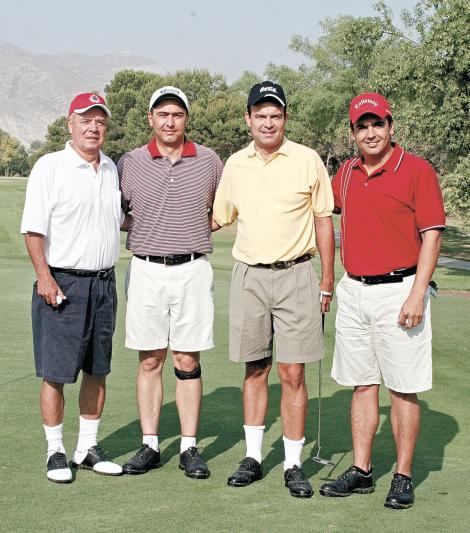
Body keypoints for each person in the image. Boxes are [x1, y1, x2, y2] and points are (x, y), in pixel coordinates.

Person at [319, 92, 445, 509]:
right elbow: (320, 208)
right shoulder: (349, 173)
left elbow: (432, 235)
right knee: (362, 385)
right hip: (354, 290)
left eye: (377, 124)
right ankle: (362, 470)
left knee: (403, 390)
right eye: (362, 126)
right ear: (353, 133)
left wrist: (417, 293)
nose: (370, 133)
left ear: (391, 126)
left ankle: (404, 476)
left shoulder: (417, 170)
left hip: (400, 290)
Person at [212, 81, 335, 498]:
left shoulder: (307, 160)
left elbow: (323, 221)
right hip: (249, 275)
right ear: (248, 119)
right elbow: (218, 217)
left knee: (293, 371)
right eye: (260, 114)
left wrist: (327, 279)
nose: (268, 122)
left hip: (297, 274)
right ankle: (251, 456)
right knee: (255, 368)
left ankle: (294, 464)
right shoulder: (235, 165)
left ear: (285, 119)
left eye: (275, 115)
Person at [118, 86, 223, 479]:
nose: (169, 121)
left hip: (193, 269)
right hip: (146, 269)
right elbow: (118, 212)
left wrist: (196, 229)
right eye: (162, 114)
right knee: (150, 359)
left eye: (177, 114)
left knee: (187, 359)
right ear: (151, 119)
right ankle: (149, 445)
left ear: (186, 119)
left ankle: (189, 447)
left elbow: (224, 209)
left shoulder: (210, 161)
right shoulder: (130, 162)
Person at [21, 93, 125, 483]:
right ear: (70, 124)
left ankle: (87, 448)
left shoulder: (112, 168)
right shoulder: (50, 166)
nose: (93, 127)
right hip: (62, 282)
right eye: (86, 120)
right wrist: (44, 277)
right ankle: (56, 451)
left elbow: (116, 220)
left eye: (100, 121)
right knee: (56, 373)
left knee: (97, 370)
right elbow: (33, 229)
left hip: (103, 283)